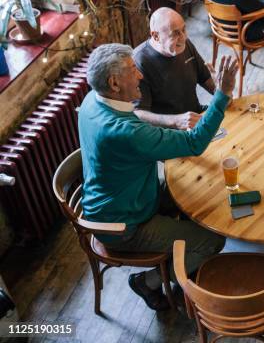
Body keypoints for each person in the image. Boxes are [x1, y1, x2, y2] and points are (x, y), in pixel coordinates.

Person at [78, 43, 238, 311]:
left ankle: (181, 260)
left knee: (201, 194)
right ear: (114, 83)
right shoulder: (125, 132)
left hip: (128, 193)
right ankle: (150, 281)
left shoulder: (91, 101)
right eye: (133, 70)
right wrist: (221, 95)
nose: (140, 74)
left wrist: (172, 121)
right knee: (213, 239)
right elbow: (194, 143)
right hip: (125, 224)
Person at [133, 7, 215, 130]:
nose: (183, 37)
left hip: (196, 117)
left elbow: (205, 78)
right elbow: (138, 113)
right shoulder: (139, 61)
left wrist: (222, 91)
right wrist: (176, 121)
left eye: (184, 29)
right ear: (156, 36)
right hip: (167, 132)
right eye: (175, 33)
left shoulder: (184, 45)